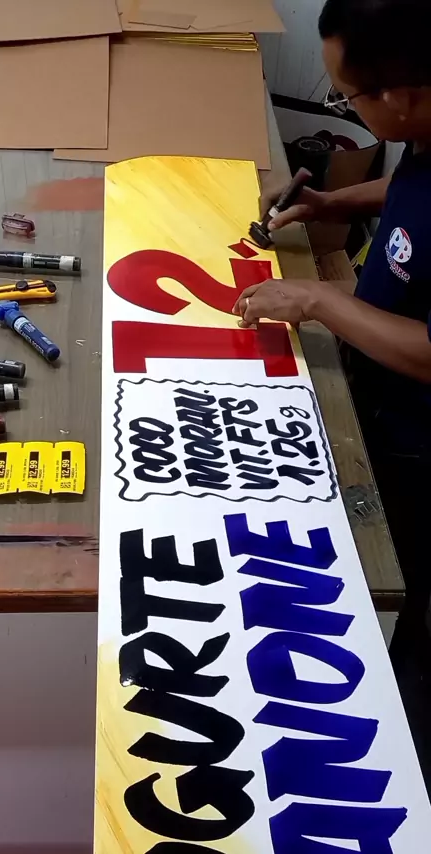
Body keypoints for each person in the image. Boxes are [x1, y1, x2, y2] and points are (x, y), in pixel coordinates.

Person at [233, 0, 431, 790]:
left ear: (402, 94)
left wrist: (317, 298)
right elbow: (413, 191)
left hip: (417, 440)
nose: (343, 107)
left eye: (348, 96)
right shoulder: (422, 123)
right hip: (377, 379)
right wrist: (331, 203)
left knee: (385, 581)